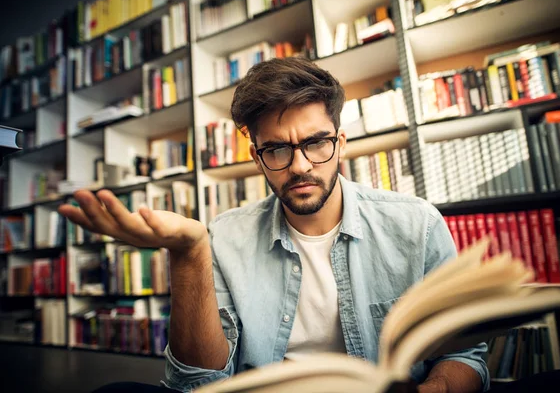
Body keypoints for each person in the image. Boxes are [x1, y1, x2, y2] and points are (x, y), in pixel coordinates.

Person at [59, 56, 489, 393]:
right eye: (278, 149)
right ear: (257, 156)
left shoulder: (416, 224)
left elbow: (467, 354)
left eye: (316, 143)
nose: (300, 166)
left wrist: (435, 389)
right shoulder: (224, 236)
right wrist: (189, 252)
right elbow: (197, 382)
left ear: (340, 143)